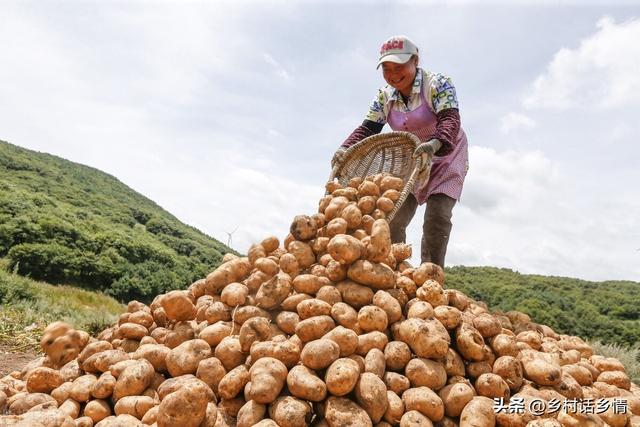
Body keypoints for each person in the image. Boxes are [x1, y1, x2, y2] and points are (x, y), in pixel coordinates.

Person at [332, 35, 469, 268]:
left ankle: (430, 275)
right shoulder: (384, 97)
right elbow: (368, 128)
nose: (393, 74)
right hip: (411, 160)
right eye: (386, 68)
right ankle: (393, 270)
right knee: (392, 217)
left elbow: (450, 120)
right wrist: (344, 148)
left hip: (447, 156)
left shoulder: (438, 83)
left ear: (415, 60)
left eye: (399, 66)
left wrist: (434, 145)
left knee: (437, 218)